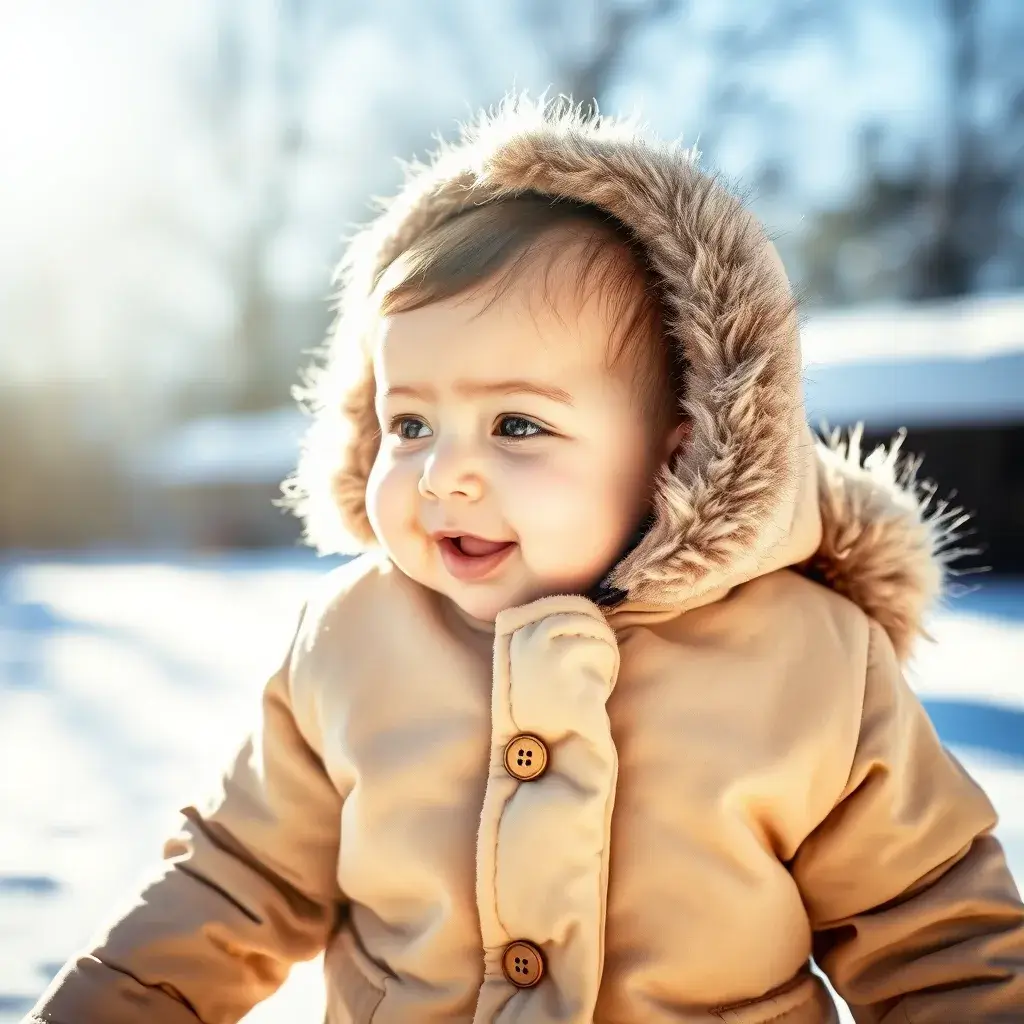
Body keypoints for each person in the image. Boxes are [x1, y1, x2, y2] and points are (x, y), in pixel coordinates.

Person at [28, 96, 1024, 1024]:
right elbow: (238, 876)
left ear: (679, 446)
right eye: (409, 421)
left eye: (515, 424)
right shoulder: (355, 636)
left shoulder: (811, 661)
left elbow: (932, 933)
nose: (441, 475)